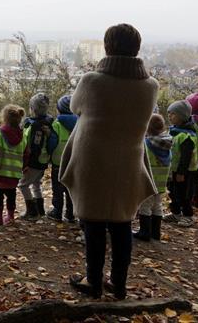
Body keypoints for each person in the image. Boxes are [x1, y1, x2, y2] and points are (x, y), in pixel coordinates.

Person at [60, 24, 158, 300]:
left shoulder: (92, 81)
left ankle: (94, 282)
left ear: (107, 46)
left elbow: (74, 107)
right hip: (129, 160)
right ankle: (119, 283)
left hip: (92, 159)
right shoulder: (151, 86)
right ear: (136, 48)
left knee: (93, 223)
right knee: (121, 223)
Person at [133, 114, 171, 242]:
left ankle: (145, 232)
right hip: (161, 182)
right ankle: (156, 232)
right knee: (157, 206)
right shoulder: (167, 143)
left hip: (148, 181)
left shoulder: (147, 144)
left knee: (145, 206)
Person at [164, 100, 198, 228]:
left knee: (184, 194)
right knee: (172, 192)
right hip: (173, 169)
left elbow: (186, 157)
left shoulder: (186, 135)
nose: (169, 116)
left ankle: (188, 216)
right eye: (168, 113)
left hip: (185, 171)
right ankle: (176, 213)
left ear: (182, 116)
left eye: (173, 114)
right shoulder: (174, 131)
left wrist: (181, 172)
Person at [20, 93, 54, 220]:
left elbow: (35, 146)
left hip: (34, 160)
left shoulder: (35, 125)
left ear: (33, 109)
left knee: (23, 185)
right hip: (43, 159)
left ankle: (32, 212)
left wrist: (26, 163)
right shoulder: (48, 121)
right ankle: (41, 210)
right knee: (35, 184)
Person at [47, 95, 78, 223]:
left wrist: (49, 153)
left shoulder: (56, 124)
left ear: (59, 109)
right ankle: (70, 214)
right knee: (70, 189)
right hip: (74, 164)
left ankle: (57, 212)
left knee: (58, 189)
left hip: (58, 163)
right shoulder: (80, 124)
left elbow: (52, 143)